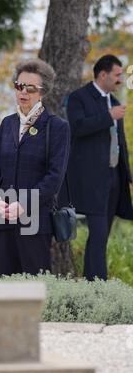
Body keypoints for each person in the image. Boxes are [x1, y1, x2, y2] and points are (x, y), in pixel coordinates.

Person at [0, 59, 70, 277]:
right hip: (4, 221)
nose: (23, 92)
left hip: (35, 223)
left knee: (34, 290)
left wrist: (23, 205)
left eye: (30, 88)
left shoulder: (57, 127)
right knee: (4, 290)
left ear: (43, 92)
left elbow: (54, 179)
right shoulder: (7, 124)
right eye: (19, 86)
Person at [66, 54, 133, 281]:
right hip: (92, 180)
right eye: (117, 75)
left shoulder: (114, 103)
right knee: (98, 232)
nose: (120, 80)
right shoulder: (79, 98)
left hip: (115, 177)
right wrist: (108, 117)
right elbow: (77, 128)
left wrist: (128, 174)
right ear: (102, 74)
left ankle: (92, 283)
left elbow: (120, 142)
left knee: (102, 236)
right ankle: (97, 286)